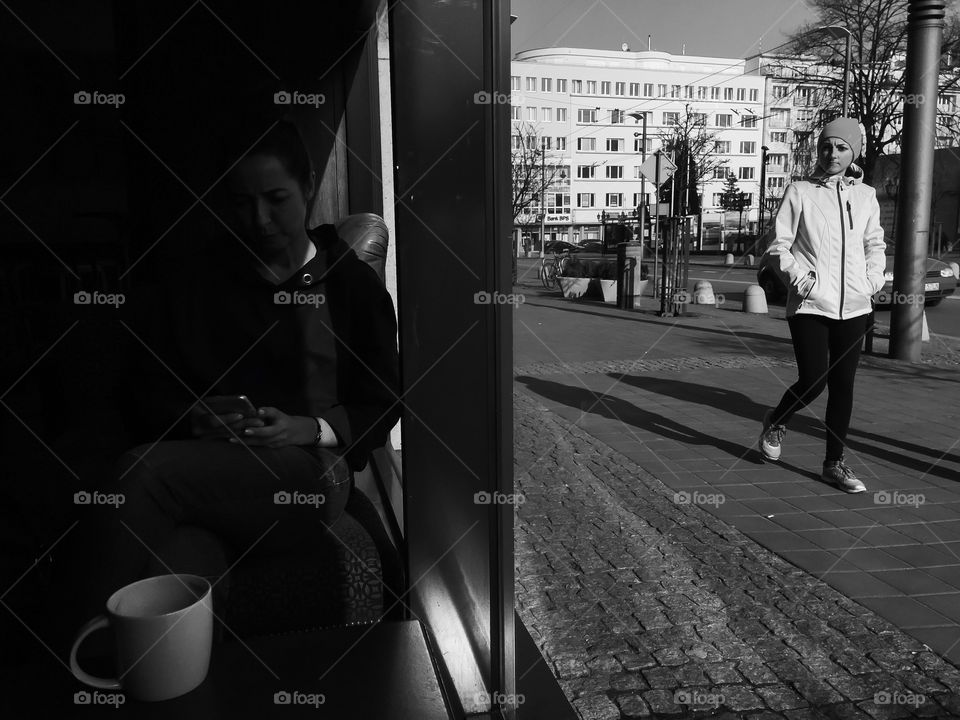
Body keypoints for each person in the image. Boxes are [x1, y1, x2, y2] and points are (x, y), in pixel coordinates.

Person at [78, 118, 401, 625]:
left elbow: (384, 400)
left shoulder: (349, 287)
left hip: (314, 472)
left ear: (309, 185)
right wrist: (196, 418)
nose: (260, 220)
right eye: (240, 203)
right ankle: (131, 680)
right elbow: (144, 390)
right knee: (177, 570)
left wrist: (310, 428)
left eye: (276, 199)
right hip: (206, 468)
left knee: (144, 475)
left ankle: (67, 663)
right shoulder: (195, 282)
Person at [759, 118, 885, 493]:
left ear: (854, 153)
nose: (832, 154)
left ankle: (834, 464)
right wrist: (803, 281)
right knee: (814, 381)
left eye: (841, 148)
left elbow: (874, 245)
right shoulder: (799, 191)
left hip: (856, 306)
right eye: (827, 146)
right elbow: (778, 246)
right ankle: (777, 419)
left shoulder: (866, 196)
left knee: (843, 385)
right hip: (812, 304)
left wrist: (872, 281)